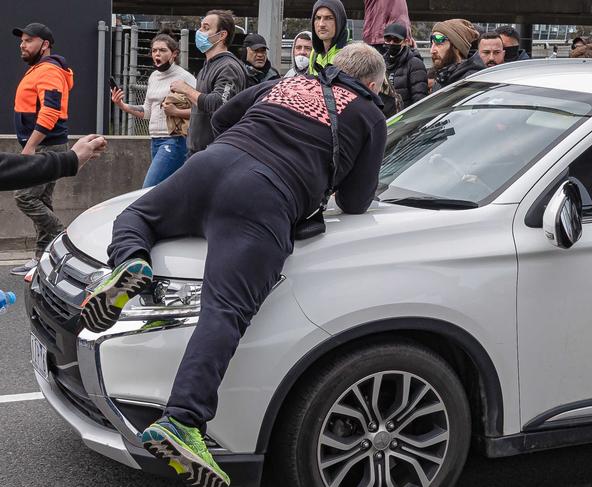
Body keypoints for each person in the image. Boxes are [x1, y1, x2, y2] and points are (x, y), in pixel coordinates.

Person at [79, 43, 388, 486]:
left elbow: (221, 118)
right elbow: (357, 201)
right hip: (265, 196)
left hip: (212, 164)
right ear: (373, 84)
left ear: (334, 68)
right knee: (224, 310)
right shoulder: (369, 113)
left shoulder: (287, 80)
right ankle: (182, 420)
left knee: (136, 217)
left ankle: (131, 263)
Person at [11, 23, 74, 276]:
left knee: (24, 197)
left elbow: (50, 112)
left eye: (28, 41)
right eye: (22, 41)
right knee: (41, 200)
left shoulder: (48, 71)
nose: (22, 45)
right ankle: (41, 258)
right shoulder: (39, 69)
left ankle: (63, 239)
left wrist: (30, 147)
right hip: (47, 145)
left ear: (45, 44)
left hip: (46, 147)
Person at [111, 32, 196, 188]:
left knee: (148, 190)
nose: (157, 54)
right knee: (163, 191)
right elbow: (146, 112)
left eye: (162, 50)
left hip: (175, 140)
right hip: (155, 139)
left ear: (174, 54)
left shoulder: (185, 77)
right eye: (154, 50)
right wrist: (123, 106)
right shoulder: (153, 77)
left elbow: (201, 111)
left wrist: (176, 112)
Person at [169, 10, 246, 156]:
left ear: (222, 35)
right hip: (197, 151)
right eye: (200, 27)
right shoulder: (207, 65)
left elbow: (219, 104)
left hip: (215, 154)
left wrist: (186, 89)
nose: (199, 32)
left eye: (206, 28)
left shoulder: (228, 67)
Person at [0, 135, 106, 191]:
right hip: (45, 148)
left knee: (27, 197)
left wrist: (31, 144)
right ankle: (55, 232)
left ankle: (55, 231)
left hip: (47, 145)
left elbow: (50, 111)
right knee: (35, 198)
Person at [429, 19, 482, 93]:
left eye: (439, 43)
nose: (432, 51)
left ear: (456, 47)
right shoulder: (441, 78)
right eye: (432, 43)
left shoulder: (472, 81)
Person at [383, 22, 427, 108]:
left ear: (405, 42)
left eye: (396, 40)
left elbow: (419, 99)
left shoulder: (415, 64)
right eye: (388, 39)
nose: (391, 43)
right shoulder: (381, 62)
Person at [309, 0, 349, 75]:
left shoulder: (352, 54)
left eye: (329, 18)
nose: (321, 24)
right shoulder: (314, 54)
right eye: (317, 18)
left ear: (340, 21)